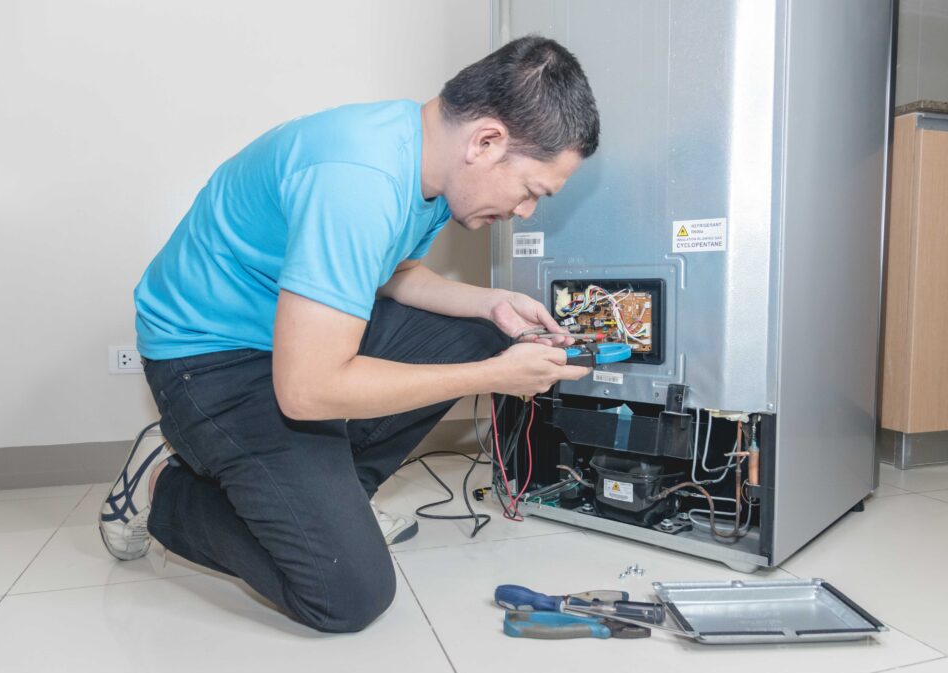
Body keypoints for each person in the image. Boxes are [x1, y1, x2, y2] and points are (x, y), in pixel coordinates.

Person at [98, 35, 599, 633]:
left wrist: (492, 303)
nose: (526, 212)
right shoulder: (358, 178)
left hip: (291, 340)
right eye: (531, 191)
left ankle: (333, 501)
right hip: (210, 361)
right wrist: (496, 378)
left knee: (487, 334)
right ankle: (162, 485)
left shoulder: (423, 159)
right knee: (348, 595)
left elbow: (389, 273)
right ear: (486, 142)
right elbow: (306, 391)